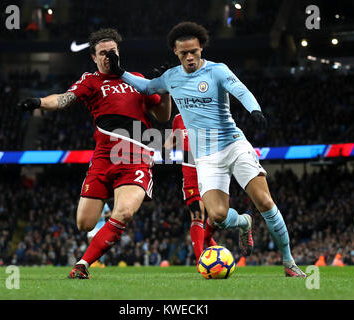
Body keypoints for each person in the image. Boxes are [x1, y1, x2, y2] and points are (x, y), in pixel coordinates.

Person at [107, 21, 306, 277]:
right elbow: (146, 87)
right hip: (206, 158)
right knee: (219, 216)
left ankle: (289, 262)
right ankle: (244, 221)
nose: (190, 57)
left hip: (234, 145)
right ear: (176, 53)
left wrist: (254, 109)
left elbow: (240, 90)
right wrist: (120, 71)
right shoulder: (171, 78)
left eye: (194, 51)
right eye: (184, 53)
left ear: (201, 48)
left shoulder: (217, 71)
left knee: (265, 201)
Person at [17, 28, 171, 279]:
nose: (108, 56)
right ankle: (112, 210)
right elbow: (64, 99)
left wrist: (165, 90)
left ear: (119, 53)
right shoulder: (91, 81)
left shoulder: (137, 79)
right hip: (103, 157)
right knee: (84, 223)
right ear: (94, 57)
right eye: (102, 53)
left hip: (136, 156)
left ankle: (82, 264)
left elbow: (163, 116)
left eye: (112, 52)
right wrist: (39, 102)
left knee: (126, 213)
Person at [163, 113, 217, 263]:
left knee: (216, 214)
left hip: (210, 169)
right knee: (197, 214)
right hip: (190, 172)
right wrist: (167, 149)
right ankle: (202, 260)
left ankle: (209, 239)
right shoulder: (178, 118)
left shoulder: (207, 111)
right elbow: (171, 142)